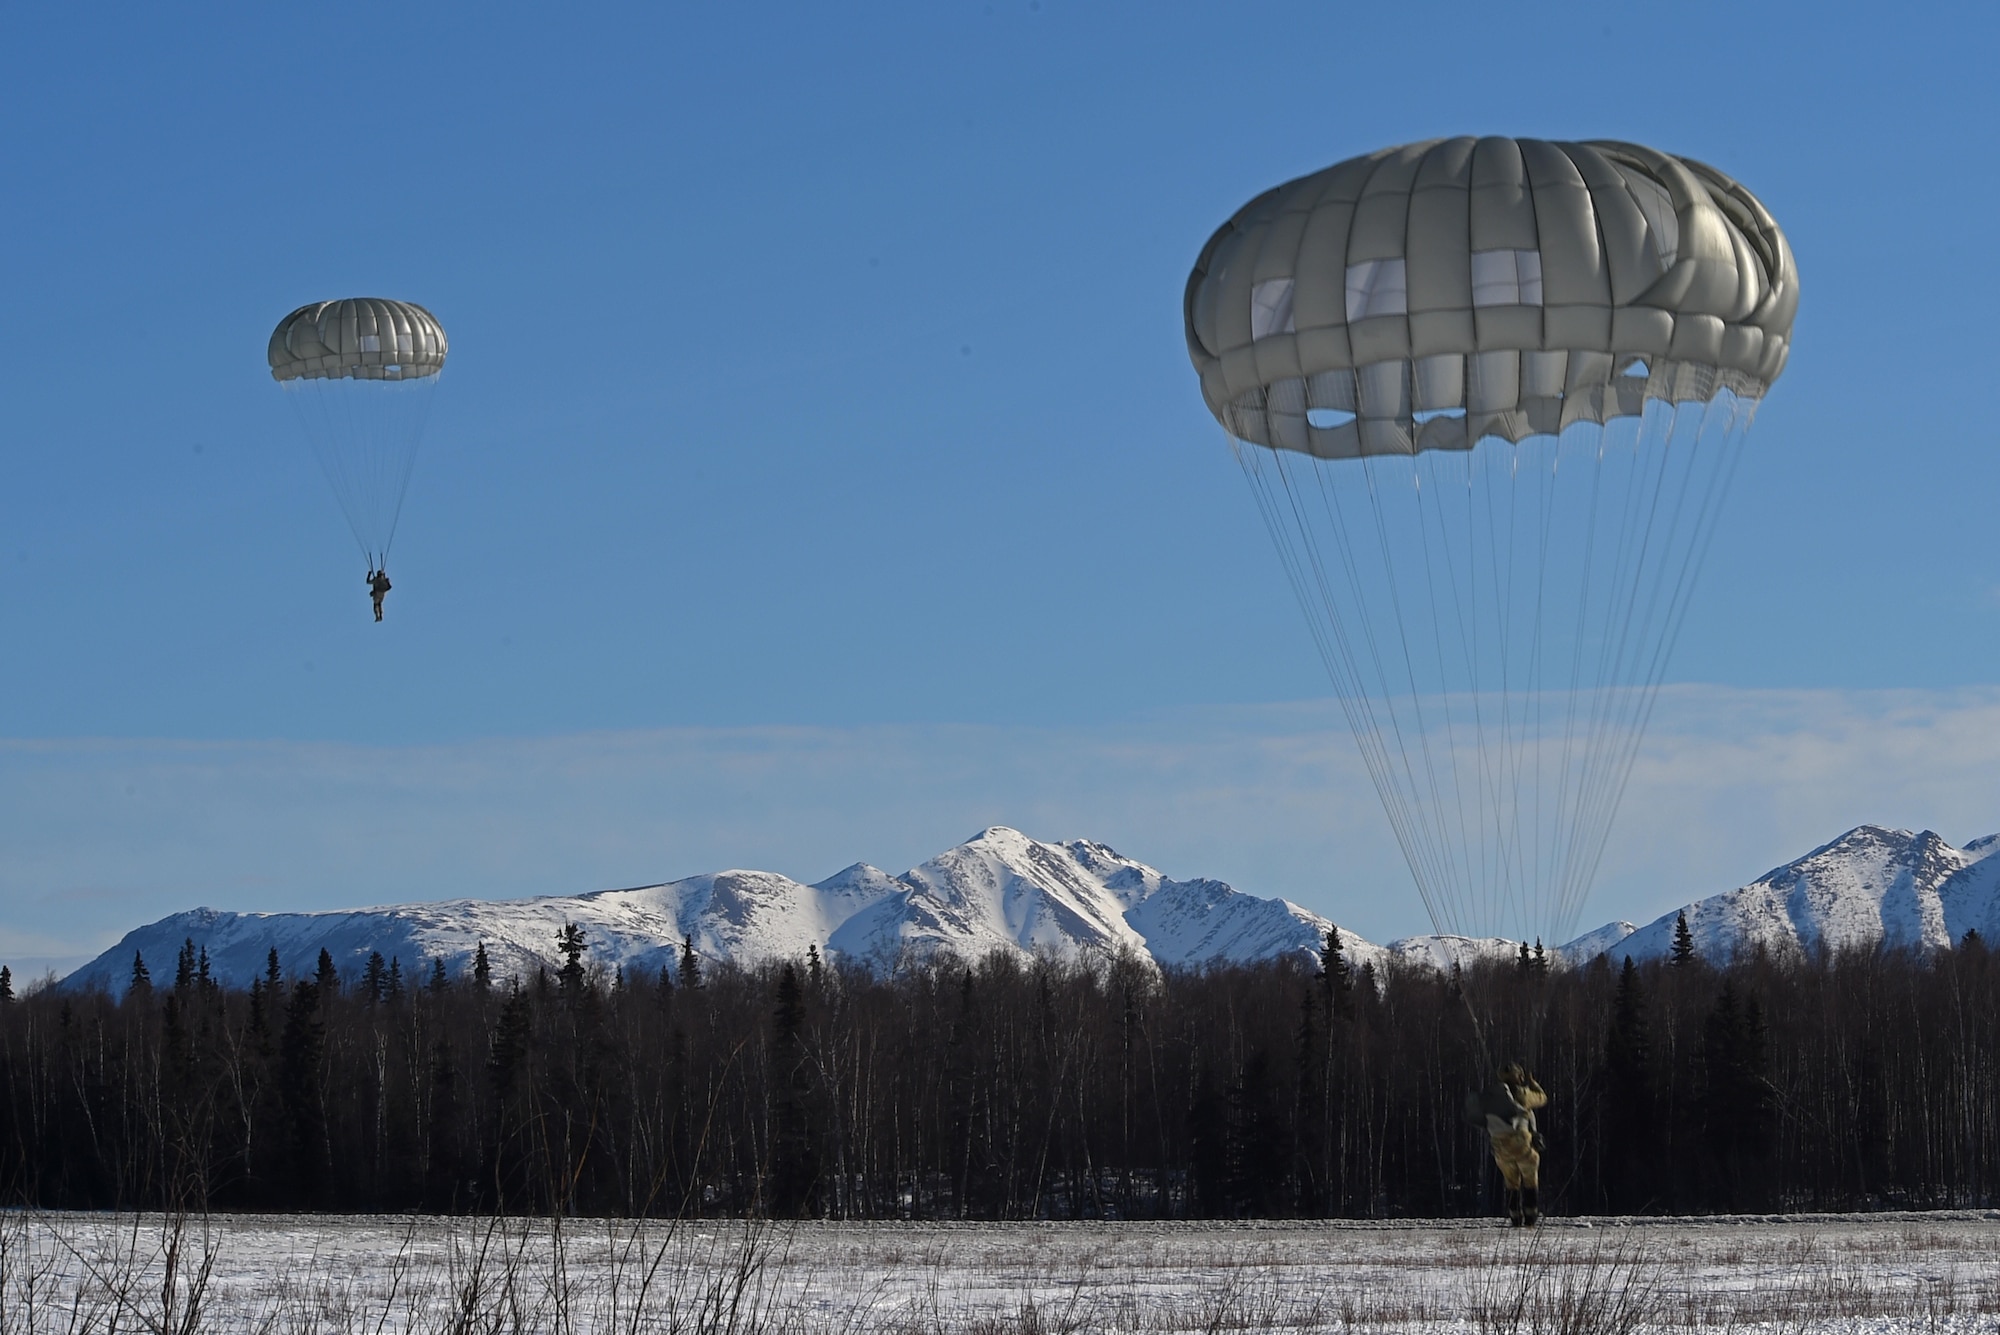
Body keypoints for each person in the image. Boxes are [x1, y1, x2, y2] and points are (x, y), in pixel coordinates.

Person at [1465, 1062, 1548, 1226]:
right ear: (1518, 1077)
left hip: (1499, 1146)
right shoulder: (1523, 1094)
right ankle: (1530, 1215)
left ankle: (1515, 1216)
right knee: (1530, 1177)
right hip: (1520, 1142)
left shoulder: (1490, 1097)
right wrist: (1532, 1083)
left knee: (1511, 1181)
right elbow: (1542, 1098)